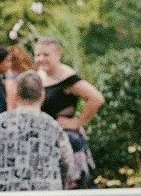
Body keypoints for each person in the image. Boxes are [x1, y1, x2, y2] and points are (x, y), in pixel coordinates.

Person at [35, 37, 103, 186]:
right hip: (45, 140)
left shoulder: (67, 77)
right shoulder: (39, 76)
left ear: (58, 55)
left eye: (46, 55)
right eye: (38, 55)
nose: (41, 59)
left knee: (70, 188)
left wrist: (77, 122)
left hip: (67, 141)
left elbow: (96, 98)